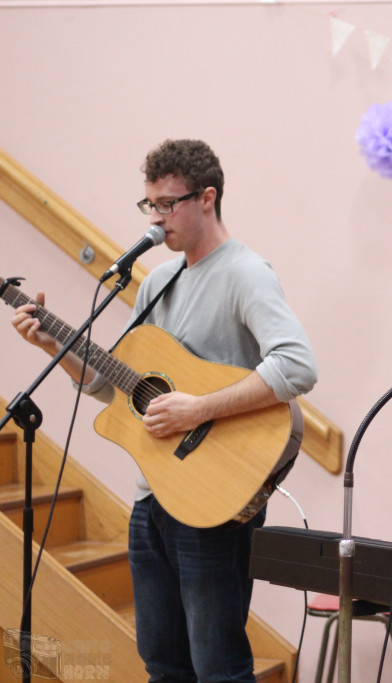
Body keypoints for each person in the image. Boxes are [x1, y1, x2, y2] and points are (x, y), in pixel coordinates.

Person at [9, 139, 318, 682]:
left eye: (167, 204)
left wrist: (198, 408)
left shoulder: (246, 273)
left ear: (207, 198)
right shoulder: (155, 281)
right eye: (148, 205)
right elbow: (116, 389)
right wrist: (51, 347)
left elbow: (296, 366)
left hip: (213, 502)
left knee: (219, 667)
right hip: (152, 499)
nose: (155, 219)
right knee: (162, 664)